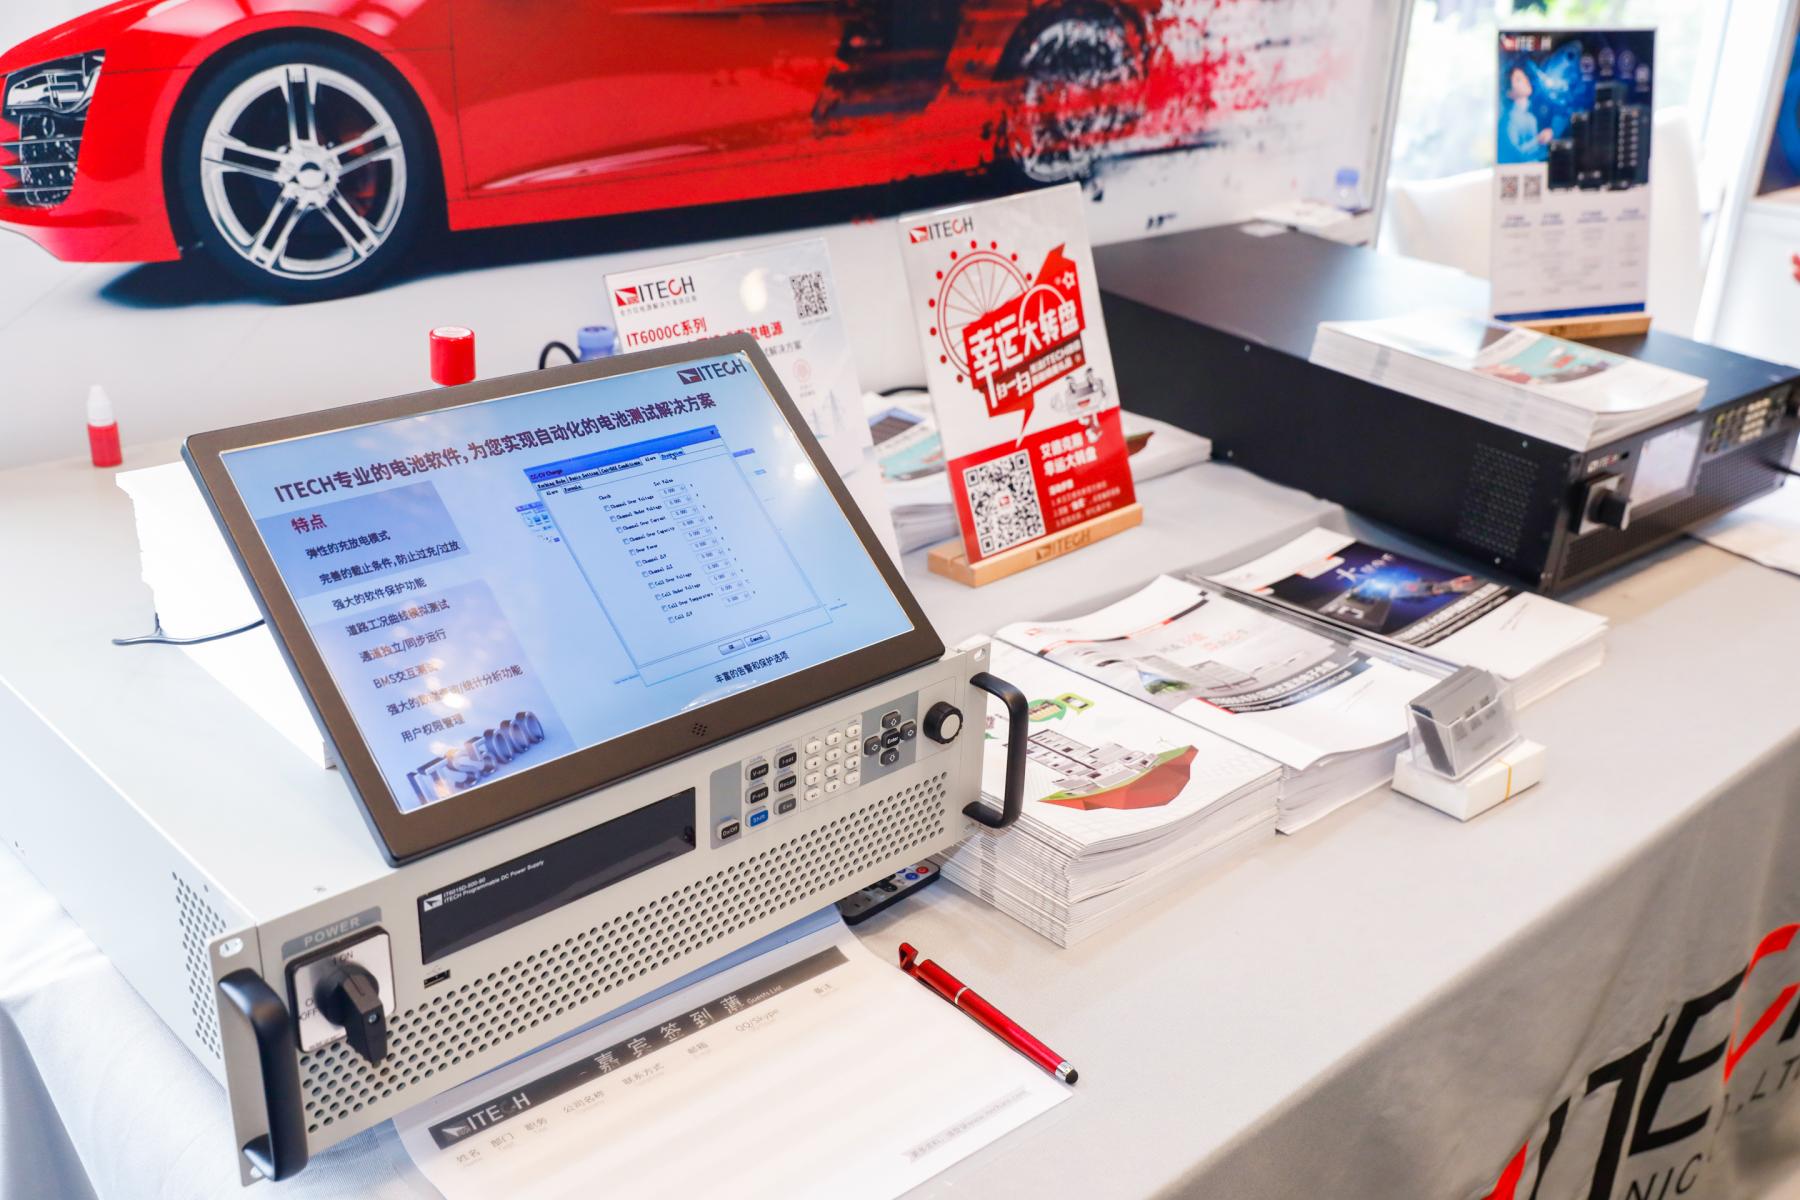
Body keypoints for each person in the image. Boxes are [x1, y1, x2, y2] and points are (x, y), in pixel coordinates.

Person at [1502, 65, 1555, 161]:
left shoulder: (1531, 117)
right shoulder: (1508, 120)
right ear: (1509, 93)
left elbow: (1536, 155)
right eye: (1518, 79)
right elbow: (1515, 155)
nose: (1526, 80)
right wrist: (1539, 140)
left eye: (1524, 76)